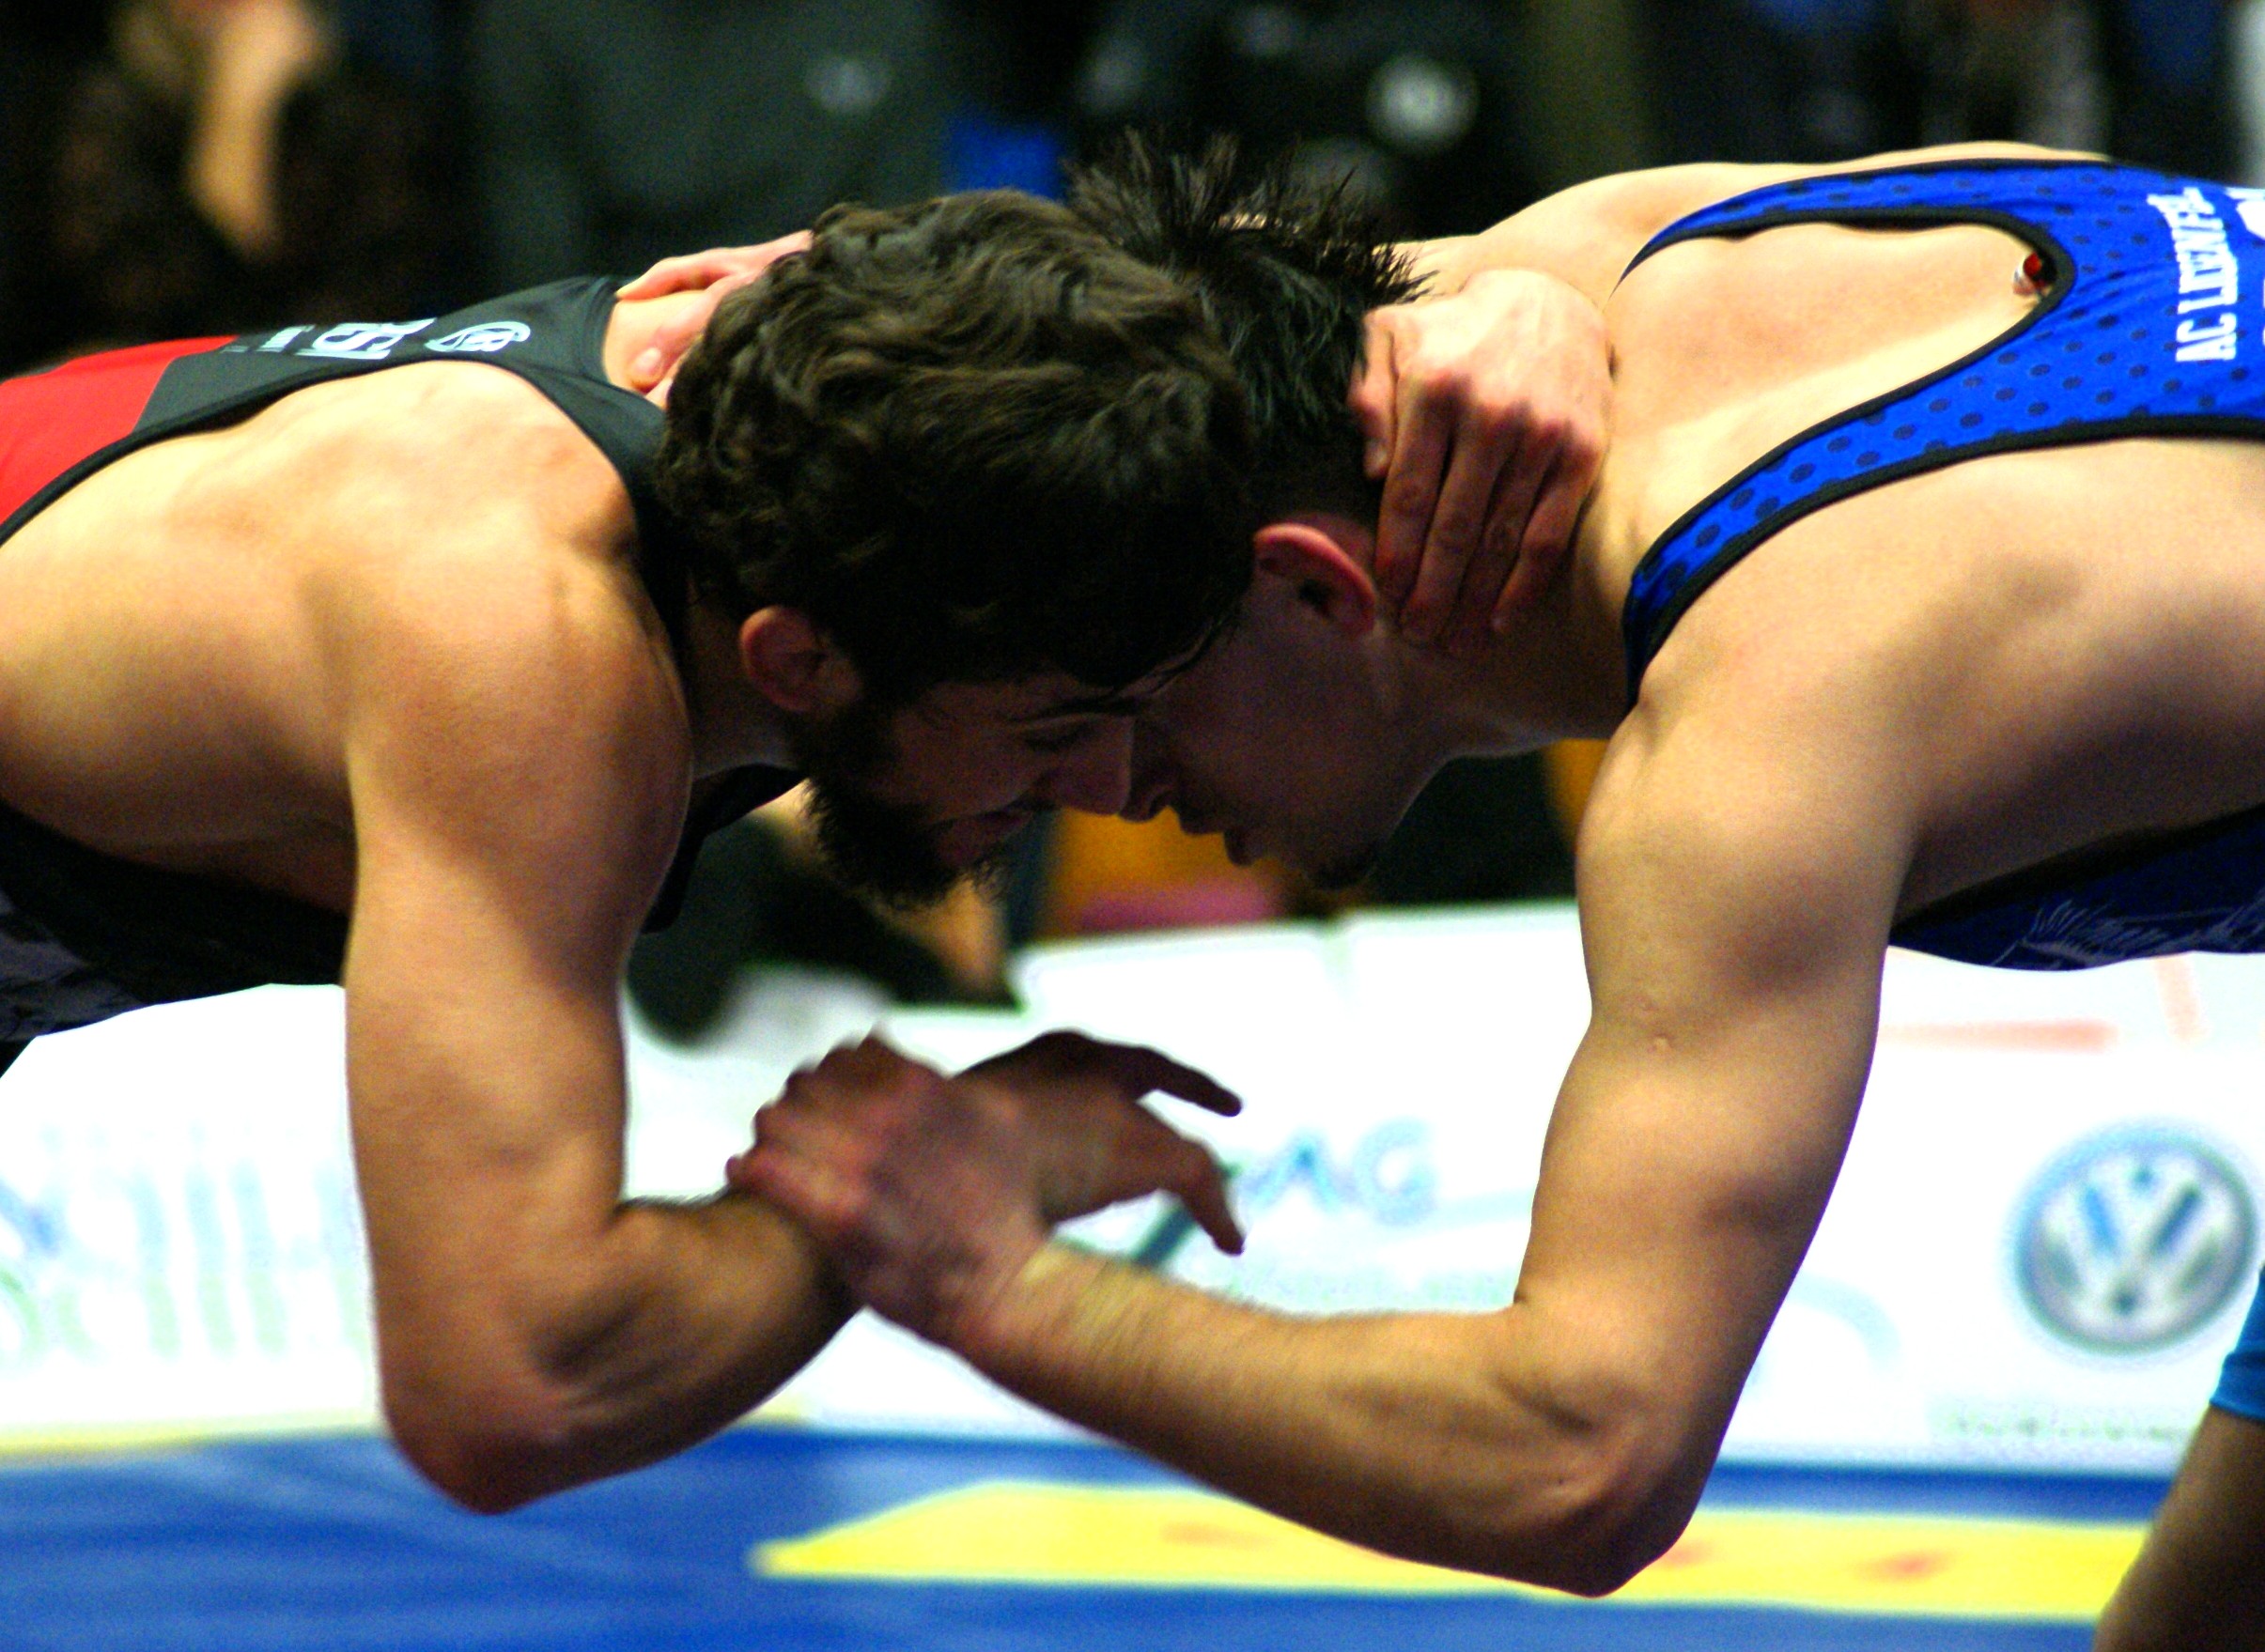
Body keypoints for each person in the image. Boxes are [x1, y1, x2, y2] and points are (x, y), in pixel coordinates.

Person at [728, 138, 2265, 1645]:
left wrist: (994, 1278)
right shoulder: (1624, 260)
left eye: (1129, 705)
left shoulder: (1773, 704)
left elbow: (1583, 1454)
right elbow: (1162, 312)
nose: (1110, 790)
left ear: (1315, 587)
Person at [0, 176, 1608, 1509]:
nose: (1112, 784)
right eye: (1056, 724)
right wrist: (933, 1188)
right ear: (800, 664)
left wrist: (1515, 298)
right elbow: (511, 1383)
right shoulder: (523, 647)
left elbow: (1215, 286)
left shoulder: (865, 369)